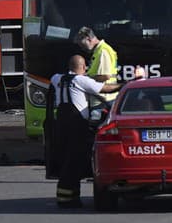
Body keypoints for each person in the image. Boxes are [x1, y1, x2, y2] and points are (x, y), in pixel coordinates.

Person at [50, 54, 126, 209]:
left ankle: (67, 196)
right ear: (83, 67)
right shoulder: (81, 80)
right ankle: (67, 199)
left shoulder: (57, 78)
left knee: (66, 159)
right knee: (75, 160)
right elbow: (105, 88)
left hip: (61, 124)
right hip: (77, 126)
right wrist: (124, 85)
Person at [75, 26, 119, 105]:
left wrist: (84, 79)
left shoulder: (102, 51)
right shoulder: (98, 50)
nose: (82, 49)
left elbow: (105, 76)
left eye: (82, 45)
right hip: (102, 98)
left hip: (103, 99)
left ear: (88, 39)